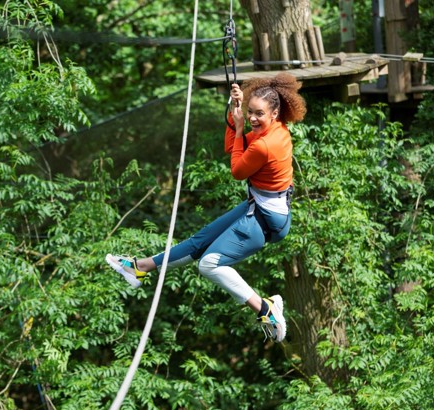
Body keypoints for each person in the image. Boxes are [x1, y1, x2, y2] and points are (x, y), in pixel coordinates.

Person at [106, 73, 307, 343]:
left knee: (209, 264)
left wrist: (238, 128)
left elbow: (236, 170)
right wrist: (234, 109)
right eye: (250, 112)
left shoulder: (265, 144)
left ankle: (266, 308)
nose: (253, 119)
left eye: (259, 114)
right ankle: (139, 268)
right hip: (260, 207)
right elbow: (231, 146)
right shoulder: (274, 129)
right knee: (199, 241)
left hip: (266, 219)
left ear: (275, 113)